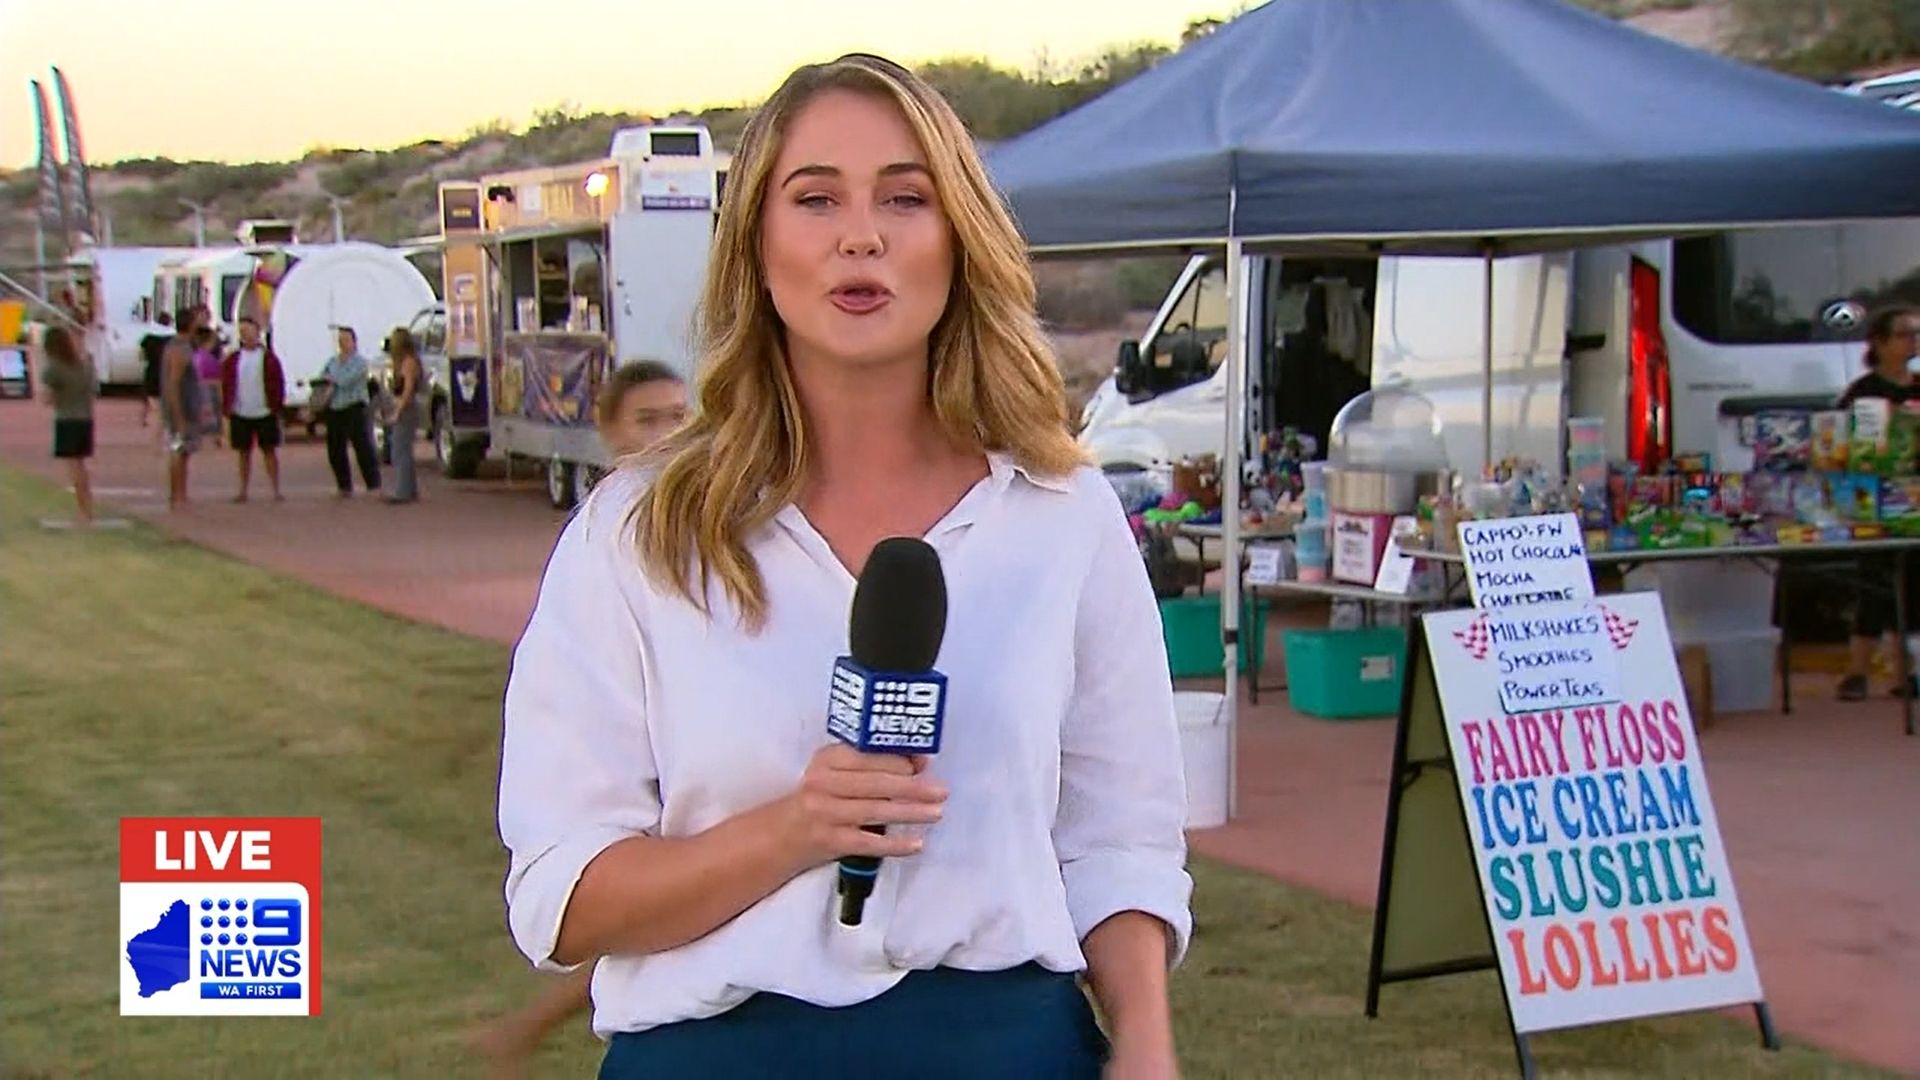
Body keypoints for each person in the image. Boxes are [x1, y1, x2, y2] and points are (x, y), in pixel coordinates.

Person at [496, 53, 1191, 1080]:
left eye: (904, 198)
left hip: (1002, 1049)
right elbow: (562, 899)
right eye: (816, 199)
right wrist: (794, 830)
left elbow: (1122, 839)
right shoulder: (637, 531)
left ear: (958, 238)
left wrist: (1145, 1042)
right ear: (756, 243)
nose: (860, 236)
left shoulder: (1061, 517)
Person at [473, 360, 688, 1071]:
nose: (667, 434)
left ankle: (533, 1024)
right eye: (647, 420)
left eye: (679, 416)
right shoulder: (602, 538)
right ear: (607, 431)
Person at [1838, 304, 1920, 701]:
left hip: (1916, 500)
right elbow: (1842, 444)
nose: (1913, 341)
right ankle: (1857, 672)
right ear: (1880, 342)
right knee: (1873, 584)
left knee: (1915, 584)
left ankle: (1907, 674)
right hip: (1873, 498)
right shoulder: (1863, 392)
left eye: (1916, 334)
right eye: (1904, 333)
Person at [220, 316, 287, 503]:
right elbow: (226, 384)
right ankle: (243, 490)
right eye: (243, 331)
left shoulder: (269, 359)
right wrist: (226, 408)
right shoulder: (233, 359)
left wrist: (277, 407)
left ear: (258, 333)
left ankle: (275, 489)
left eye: (249, 331)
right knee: (243, 453)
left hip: (264, 411)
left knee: (269, 451)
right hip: (241, 412)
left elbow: (278, 384)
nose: (246, 335)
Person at [38, 326, 97, 526]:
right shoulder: (84, 366)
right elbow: (92, 390)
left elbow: (47, 398)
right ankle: (87, 508)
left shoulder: (54, 368)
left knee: (74, 469)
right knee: (81, 466)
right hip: (85, 418)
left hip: (67, 419)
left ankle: (83, 511)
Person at [317, 326, 382, 497]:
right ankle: (344, 485)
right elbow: (322, 379)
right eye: (340, 340)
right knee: (335, 449)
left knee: (362, 447)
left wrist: (332, 379)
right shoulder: (332, 361)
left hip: (354, 406)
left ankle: (373, 483)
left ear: (354, 342)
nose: (343, 343)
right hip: (335, 407)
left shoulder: (360, 363)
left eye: (346, 340)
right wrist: (328, 381)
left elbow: (345, 380)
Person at [160, 307, 207, 511]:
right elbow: (173, 383)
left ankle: (181, 492)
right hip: (181, 409)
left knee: (184, 452)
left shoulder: (184, 346)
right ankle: (176, 494)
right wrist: (178, 416)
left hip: (187, 407)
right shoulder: (179, 349)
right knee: (178, 450)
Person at [383, 327, 425, 504]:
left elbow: (408, 390)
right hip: (404, 407)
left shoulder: (408, 363)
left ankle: (403, 490)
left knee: (400, 450)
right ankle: (409, 488)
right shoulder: (405, 361)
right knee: (403, 449)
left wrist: (398, 411)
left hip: (407, 409)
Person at [139, 312, 172, 428]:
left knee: (150, 396)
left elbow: (141, 356)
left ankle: (147, 417)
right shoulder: (172, 337)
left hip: (152, 370)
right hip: (166, 371)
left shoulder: (148, 337)